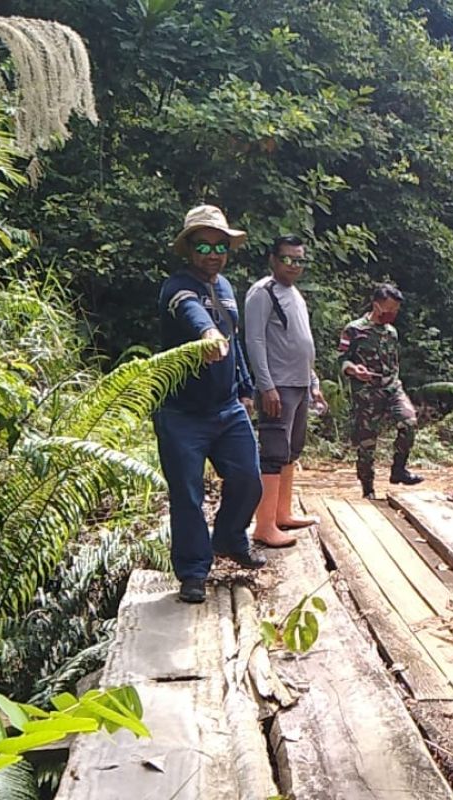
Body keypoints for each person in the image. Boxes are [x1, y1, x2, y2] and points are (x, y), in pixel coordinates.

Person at [154, 204, 267, 605]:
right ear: (188, 249)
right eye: (203, 247)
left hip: (226, 407)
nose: (213, 254)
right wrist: (206, 335)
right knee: (187, 495)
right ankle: (193, 572)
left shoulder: (225, 287)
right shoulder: (176, 287)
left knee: (248, 478)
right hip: (181, 413)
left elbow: (232, 340)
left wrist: (245, 386)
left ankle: (230, 539)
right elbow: (193, 313)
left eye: (220, 246)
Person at [244, 234, 327, 547]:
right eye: (288, 259)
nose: (294, 265)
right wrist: (266, 385)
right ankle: (264, 526)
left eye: (299, 260)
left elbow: (303, 342)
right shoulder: (262, 293)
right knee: (274, 452)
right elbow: (255, 341)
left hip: (300, 384)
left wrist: (314, 383)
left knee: (292, 450)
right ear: (273, 260)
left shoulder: (294, 294)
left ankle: (283, 513)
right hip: (277, 385)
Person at [338, 284, 424, 498]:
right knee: (367, 443)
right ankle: (368, 488)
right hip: (367, 393)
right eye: (389, 309)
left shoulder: (391, 333)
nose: (393, 314)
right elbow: (341, 359)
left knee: (409, 421)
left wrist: (394, 381)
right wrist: (354, 370)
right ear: (376, 305)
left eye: (396, 310)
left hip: (392, 388)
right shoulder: (354, 330)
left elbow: (394, 362)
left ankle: (399, 470)